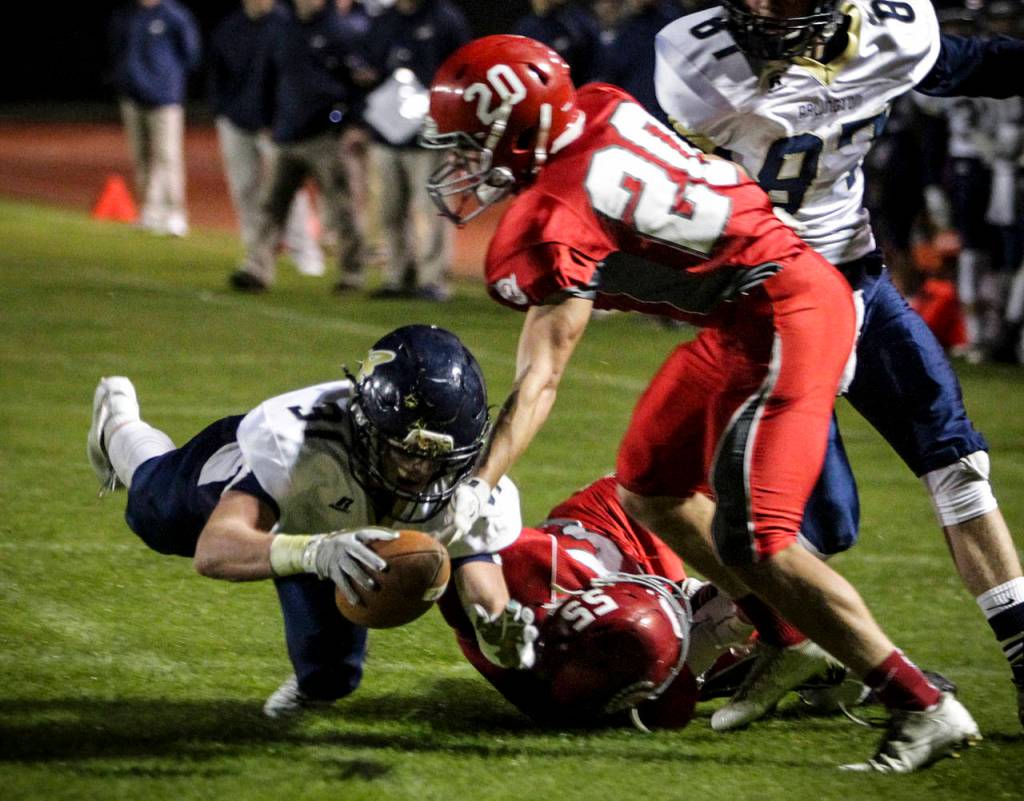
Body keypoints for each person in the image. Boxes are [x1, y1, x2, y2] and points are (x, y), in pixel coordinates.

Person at [421, 35, 979, 773]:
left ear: (518, 126)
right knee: (650, 485)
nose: (460, 162)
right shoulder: (598, 106)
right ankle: (791, 643)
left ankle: (923, 703)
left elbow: (544, 374)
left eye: (469, 142)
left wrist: (479, 482)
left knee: (762, 539)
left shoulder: (552, 215)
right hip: (754, 305)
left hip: (785, 312)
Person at [654, 0, 1024, 727]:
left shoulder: (895, 30)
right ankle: (717, 646)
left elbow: (970, 64)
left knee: (956, 462)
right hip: (773, 303)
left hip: (858, 274)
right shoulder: (695, 60)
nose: (764, 9)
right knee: (805, 527)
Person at [85, 324, 536, 717]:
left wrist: (494, 628)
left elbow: (476, 564)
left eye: (437, 458)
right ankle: (119, 422)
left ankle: (314, 676)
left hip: (342, 530)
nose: (420, 471)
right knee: (152, 511)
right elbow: (216, 549)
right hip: (287, 496)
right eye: (406, 450)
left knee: (331, 678)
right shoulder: (300, 442)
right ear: (366, 424)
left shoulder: (472, 481)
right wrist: (316, 552)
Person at [228, 0, 366, 294]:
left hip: (326, 137)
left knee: (343, 208)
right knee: (271, 207)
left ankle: (352, 274)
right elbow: (267, 76)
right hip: (286, 134)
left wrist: (353, 123)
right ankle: (257, 268)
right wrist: (266, 119)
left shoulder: (340, 31)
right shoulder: (282, 29)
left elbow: (357, 84)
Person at [360, 0, 472, 301]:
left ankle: (433, 279)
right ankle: (397, 276)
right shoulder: (384, 21)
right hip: (386, 130)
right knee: (389, 209)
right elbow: (368, 62)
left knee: (431, 208)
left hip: (429, 134)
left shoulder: (446, 19)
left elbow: (465, 71)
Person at [209, 0, 325, 278]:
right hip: (237, 121)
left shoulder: (286, 24)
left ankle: (305, 252)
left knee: (285, 192)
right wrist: (223, 110)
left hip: (276, 125)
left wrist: (280, 117)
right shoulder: (231, 28)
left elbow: (294, 77)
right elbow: (217, 72)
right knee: (244, 189)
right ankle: (257, 256)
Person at [107, 0, 201, 237]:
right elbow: (117, 48)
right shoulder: (126, 14)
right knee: (141, 156)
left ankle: (176, 214)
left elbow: (191, 53)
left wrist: (167, 80)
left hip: (164, 99)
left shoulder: (174, 15)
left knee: (168, 156)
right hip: (132, 97)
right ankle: (150, 210)